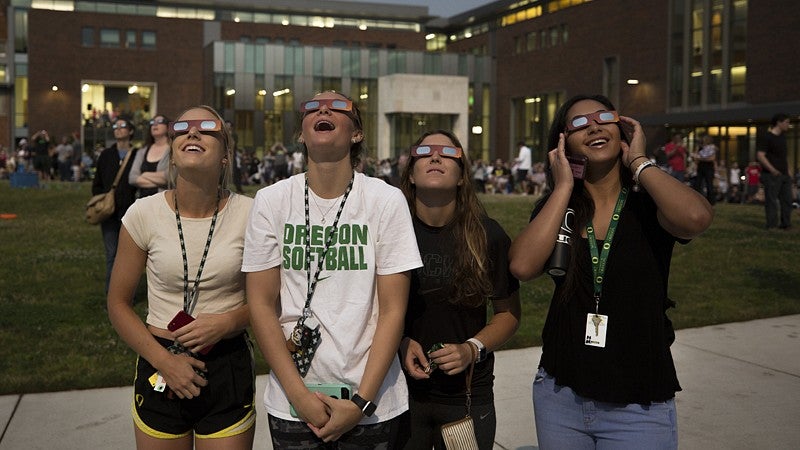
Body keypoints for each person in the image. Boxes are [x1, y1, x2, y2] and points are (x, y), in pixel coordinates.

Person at [508, 94, 713, 449]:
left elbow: (696, 218)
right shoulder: (559, 207)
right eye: (578, 124)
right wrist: (563, 187)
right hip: (561, 395)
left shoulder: (649, 203)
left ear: (622, 131)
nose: (593, 126)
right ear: (563, 142)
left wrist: (639, 162)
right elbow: (523, 266)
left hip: (638, 402)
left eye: (604, 117)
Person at [243, 91, 422, 447]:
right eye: (312, 107)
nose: (323, 109)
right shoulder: (272, 200)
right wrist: (300, 398)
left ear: (356, 133)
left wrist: (361, 403)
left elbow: (392, 311)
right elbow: (261, 305)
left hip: (370, 404)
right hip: (293, 404)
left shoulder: (384, 200)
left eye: (338, 107)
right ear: (301, 134)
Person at [107, 105, 256, 449]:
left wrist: (228, 321)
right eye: (183, 128)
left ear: (225, 155)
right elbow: (117, 303)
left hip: (226, 362)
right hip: (160, 359)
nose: (192, 132)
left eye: (207, 128)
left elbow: (270, 300)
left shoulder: (252, 214)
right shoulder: (143, 214)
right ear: (171, 156)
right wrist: (164, 362)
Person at [398, 130, 521, 449]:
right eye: (424, 151)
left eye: (448, 153)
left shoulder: (487, 235)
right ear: (410, 174)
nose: (435, 156)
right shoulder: (390, 231)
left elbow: (508, 315)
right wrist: (401, 341)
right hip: (398, 392)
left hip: (467, 396)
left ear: (463, 176)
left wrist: (472, 348)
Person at [92, 117, 139, 293]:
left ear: (131, 131)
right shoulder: (106, 155)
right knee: (112, 254)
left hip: (131, 213)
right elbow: (96, 183)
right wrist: (102, 201)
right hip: (109, 214)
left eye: (122, 126)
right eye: (115, 126)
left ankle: (127, 295)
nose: (118, 129)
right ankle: (111, 295)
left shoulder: (137, 155)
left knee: (129, 257)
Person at [757, 113, 793, 230]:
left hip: (784, 175)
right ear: (779, 122)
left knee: (787, 200)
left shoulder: (783, 137)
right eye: (786, 122)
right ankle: (772, 225)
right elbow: (760, 155)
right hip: (771, 175)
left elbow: (784, 155)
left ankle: (786, 224)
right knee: (772, 200)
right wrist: (772, 170)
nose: (788, 125)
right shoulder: (767, 137)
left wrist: (789, 169)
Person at [128, 114, 171, 197]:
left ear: (168, 127)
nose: (155, 124)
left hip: (164, 200)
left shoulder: (173, 150)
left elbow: (170, 177)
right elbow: (132, 178)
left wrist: (144, 174)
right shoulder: (142, 151)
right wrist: (160, 181)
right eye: (152, 122)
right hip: (142, 202)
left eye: (159, 122)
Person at [692, 135, 717, 204]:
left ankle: (711, 201)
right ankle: (697, 200)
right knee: (698, 184)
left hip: (708, 168)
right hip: (701, 167)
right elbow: (695, 157)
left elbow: (712, 158)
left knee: (709, 184)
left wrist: (701, 158)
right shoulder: (700, 148)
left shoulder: (712, 148)